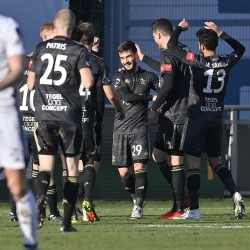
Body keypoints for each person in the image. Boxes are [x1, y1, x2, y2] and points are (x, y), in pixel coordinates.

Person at [166, 20, 245, 219]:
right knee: (217, 163)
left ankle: (194, 210)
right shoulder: (226, 60)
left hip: (197, 120)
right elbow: (241, 48)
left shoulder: (197, 61)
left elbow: (172, 47)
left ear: (201, 46)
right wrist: (221, 32)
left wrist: (178, 29)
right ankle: (235, 193)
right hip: (216, 120)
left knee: (192, 166)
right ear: (215, 43)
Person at [27, 9, 93, 232]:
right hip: (69, 116)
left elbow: (29, 85)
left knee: (45, 166)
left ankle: (40, 200)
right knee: (71, 169)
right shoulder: (78, 50)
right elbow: (88, 82)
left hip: (44, 115)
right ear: (73, 27)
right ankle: (66, 223)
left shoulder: (40, 48)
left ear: (55, 24)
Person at [135, 18, 191, 219]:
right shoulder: (179, 49)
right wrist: (143, 58)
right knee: (158, 155)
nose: (154, 40)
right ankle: (181, 196)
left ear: (159, 35)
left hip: (176, 113)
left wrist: (154, 108)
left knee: (175, 160)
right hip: (171, 114)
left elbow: (166, 85)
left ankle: (178, 208)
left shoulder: (167, 52)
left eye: (153, 36)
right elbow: (166, 69)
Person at [70, 22, 125, 222]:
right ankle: (87, 203)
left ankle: (71, 208)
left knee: (71, 165)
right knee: (90, 161)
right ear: (93, 39)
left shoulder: (66, 59)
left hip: (66, 119)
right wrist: (120, 109)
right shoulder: (97, 62)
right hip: (87, 119)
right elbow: (110, 95)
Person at [12, 22, 63, 222]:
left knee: (24, 169)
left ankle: (16, 212)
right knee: (44, 167)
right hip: (38, 122)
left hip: (23, 123)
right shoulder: (48, 65)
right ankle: (52, 211)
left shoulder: (25, 62)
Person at [0, 14, 39, 250]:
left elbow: (16, 70)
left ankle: (31, 242)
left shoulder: (7, 26)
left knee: (17, 186)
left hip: (5, 113)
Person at [111, 41, 159, 218]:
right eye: (122, 58)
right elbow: (126, 96)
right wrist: (151, 98)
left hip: (139, 128)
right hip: (120, 129)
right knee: (124, 172)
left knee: (140, 166)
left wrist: (156, 107)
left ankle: (138, 207)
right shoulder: (117, 75)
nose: (125, 61)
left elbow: (165, 90)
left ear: (136, 56)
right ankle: (135, 198)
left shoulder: (149, 76)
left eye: (129, 56)